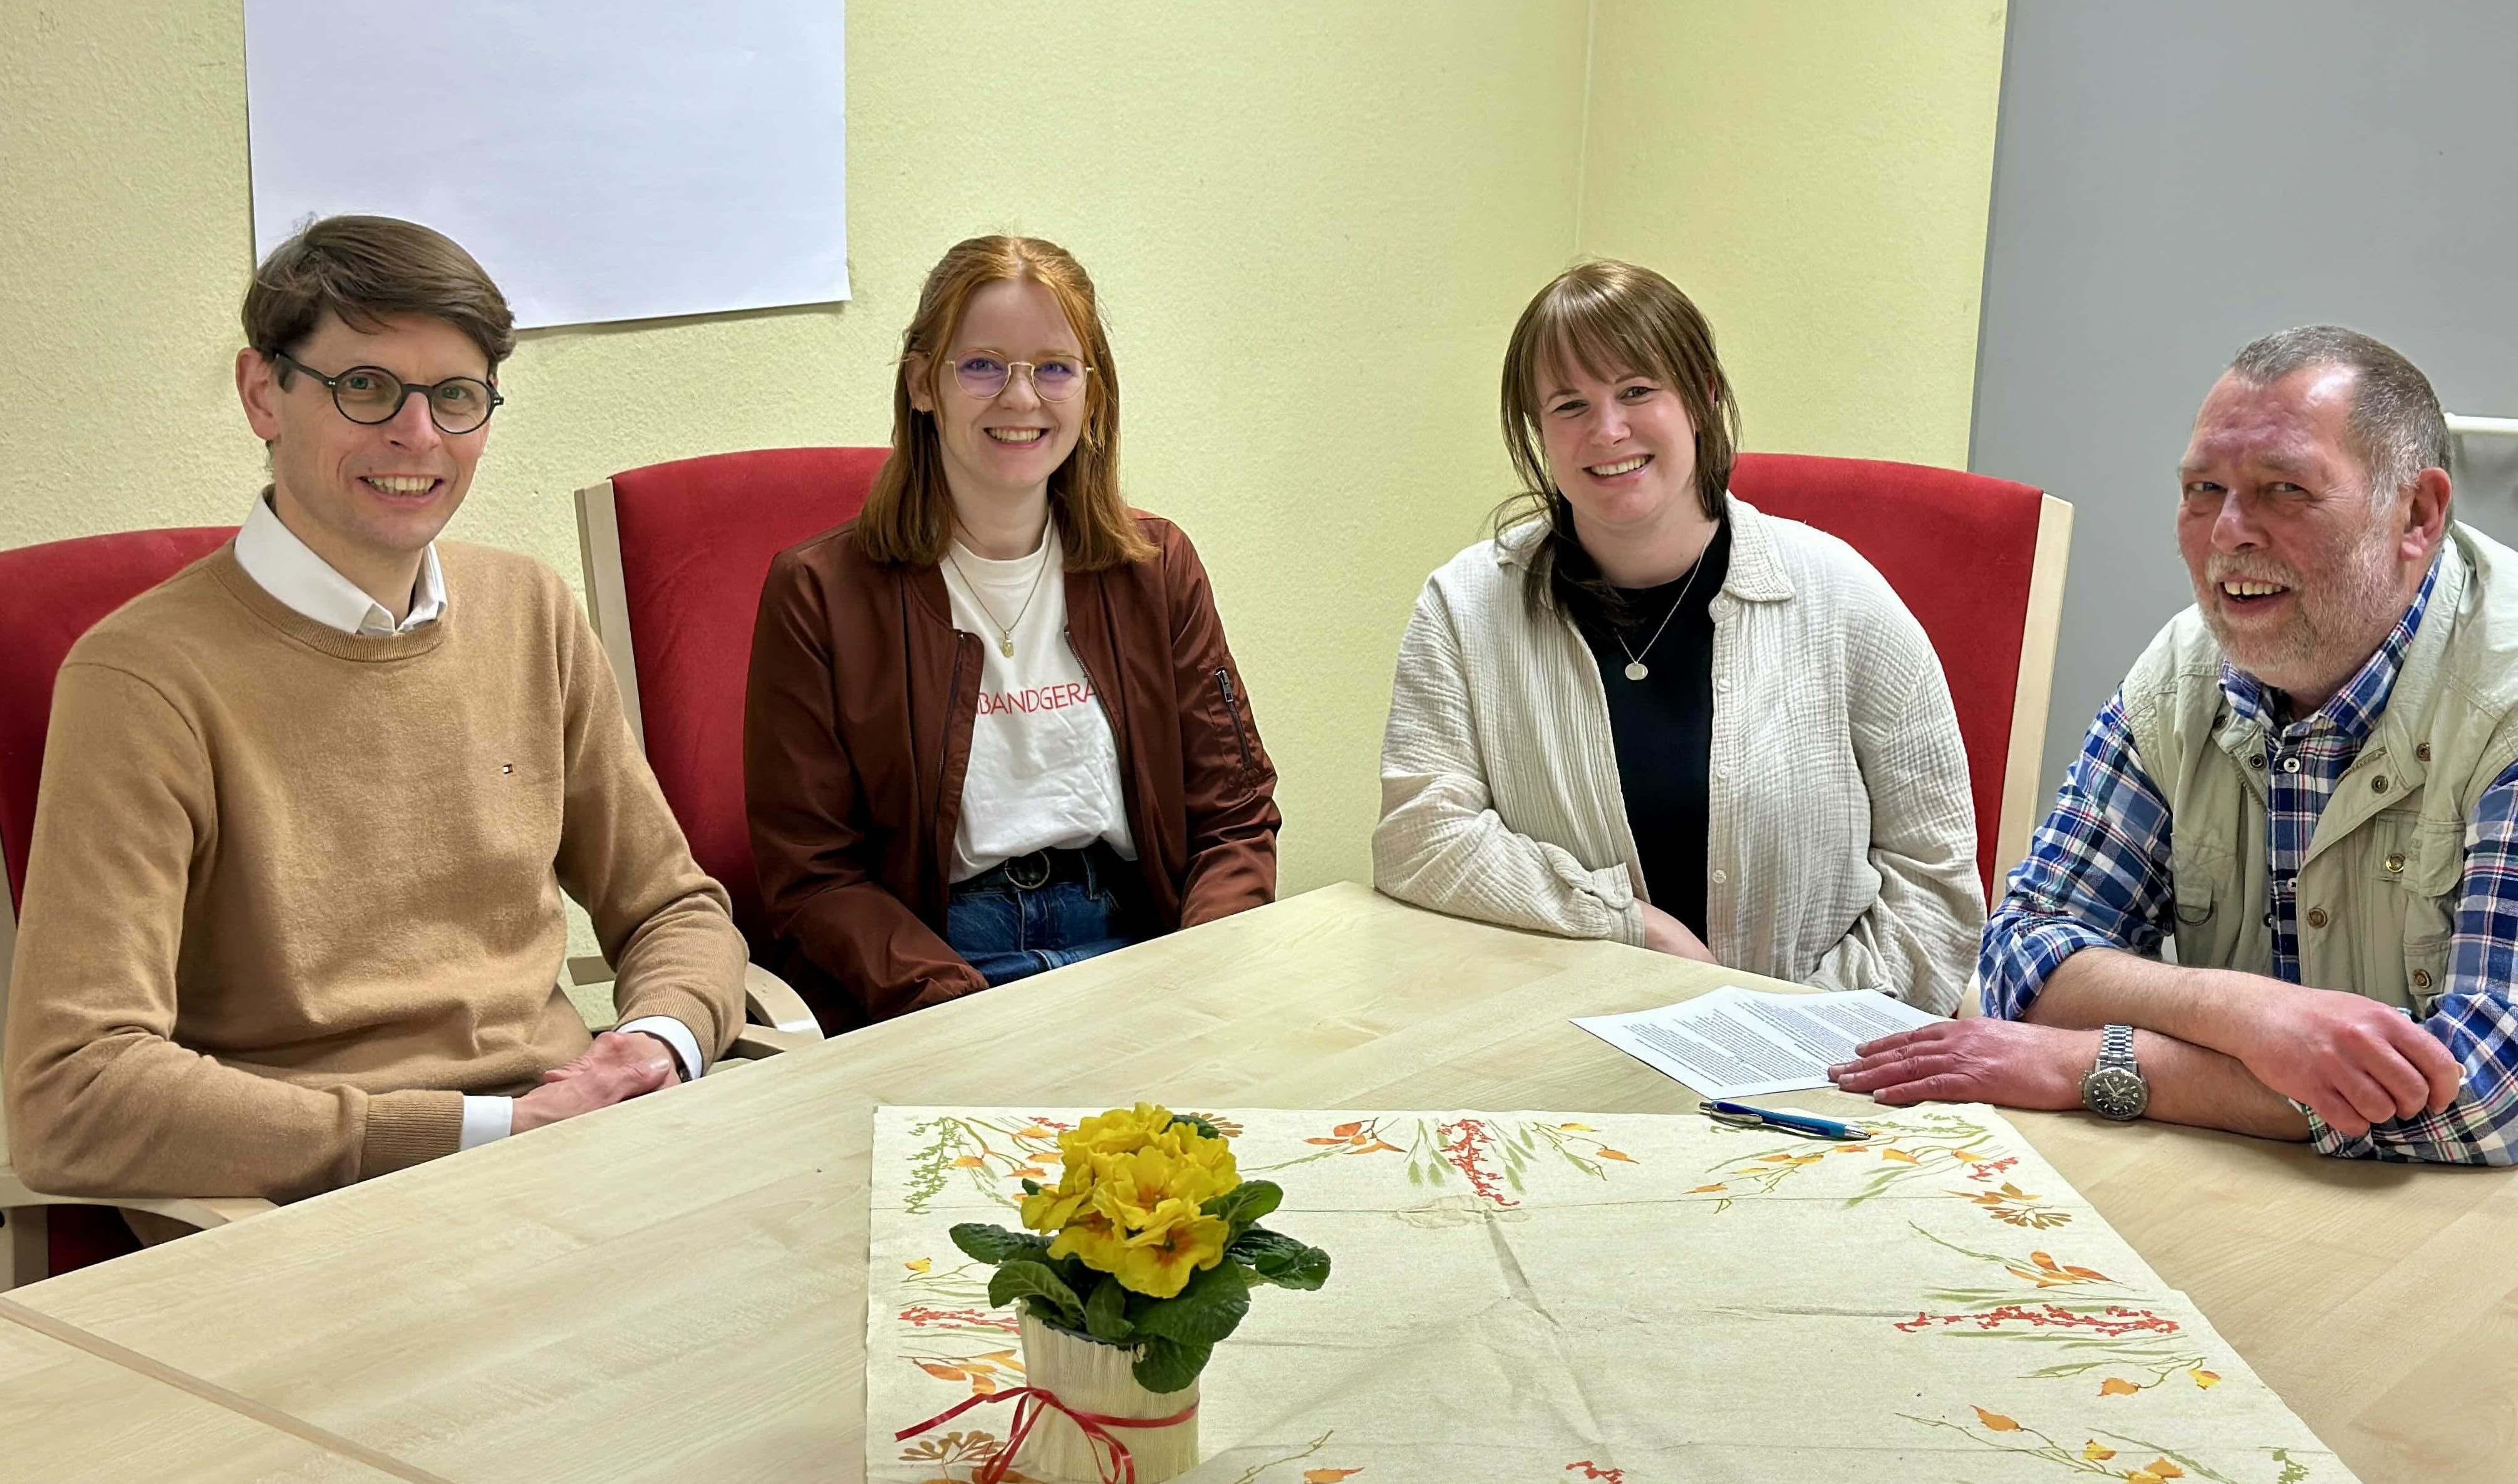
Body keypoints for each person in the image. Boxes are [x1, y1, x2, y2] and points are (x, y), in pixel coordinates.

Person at [4, 215, 749, 1210]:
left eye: (457, 395)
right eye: (365, 386)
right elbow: (71, 1093)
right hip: (307, 1204)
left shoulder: (529, 608)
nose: (419, 435)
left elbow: (673, 909)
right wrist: (486, 1129)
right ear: (262, 393)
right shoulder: (141, 679)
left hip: (574, 1150)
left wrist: (654, 1042)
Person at [1835, 326, 2518, 1167]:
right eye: (2203, 488)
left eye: (2285, 489)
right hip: (2254, 1183)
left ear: (2416, 514)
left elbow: (2492, 1088)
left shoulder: (2505, 700)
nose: (2229, 532)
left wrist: (2105, 1063)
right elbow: (2026, 948)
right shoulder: (2182, 672)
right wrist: (2245, 1014)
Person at [1372, 259, 1982, 1008]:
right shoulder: (1464, 607)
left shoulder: (1845, 598)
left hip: (1822, 1053)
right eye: (1570, 405)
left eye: (1636, 391)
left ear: (1703, 397)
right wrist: (1631, 926)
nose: (1607, 430)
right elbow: (1419, 838)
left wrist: (1793, 1031)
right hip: (1557, 1037)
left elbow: (1935, 887)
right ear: (1539, 430)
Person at [745, 234, 1278, 1031]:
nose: (1022, 398)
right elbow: (814, 876)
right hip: (933, 971)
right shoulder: (818, 593)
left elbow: (1234, 818)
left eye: (1055, 368)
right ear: (923, 384)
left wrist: (1196, 974)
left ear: (1092, 394)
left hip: (1140, 948)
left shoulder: (1156, 568)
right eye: (983, 365)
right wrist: (954, 1010)